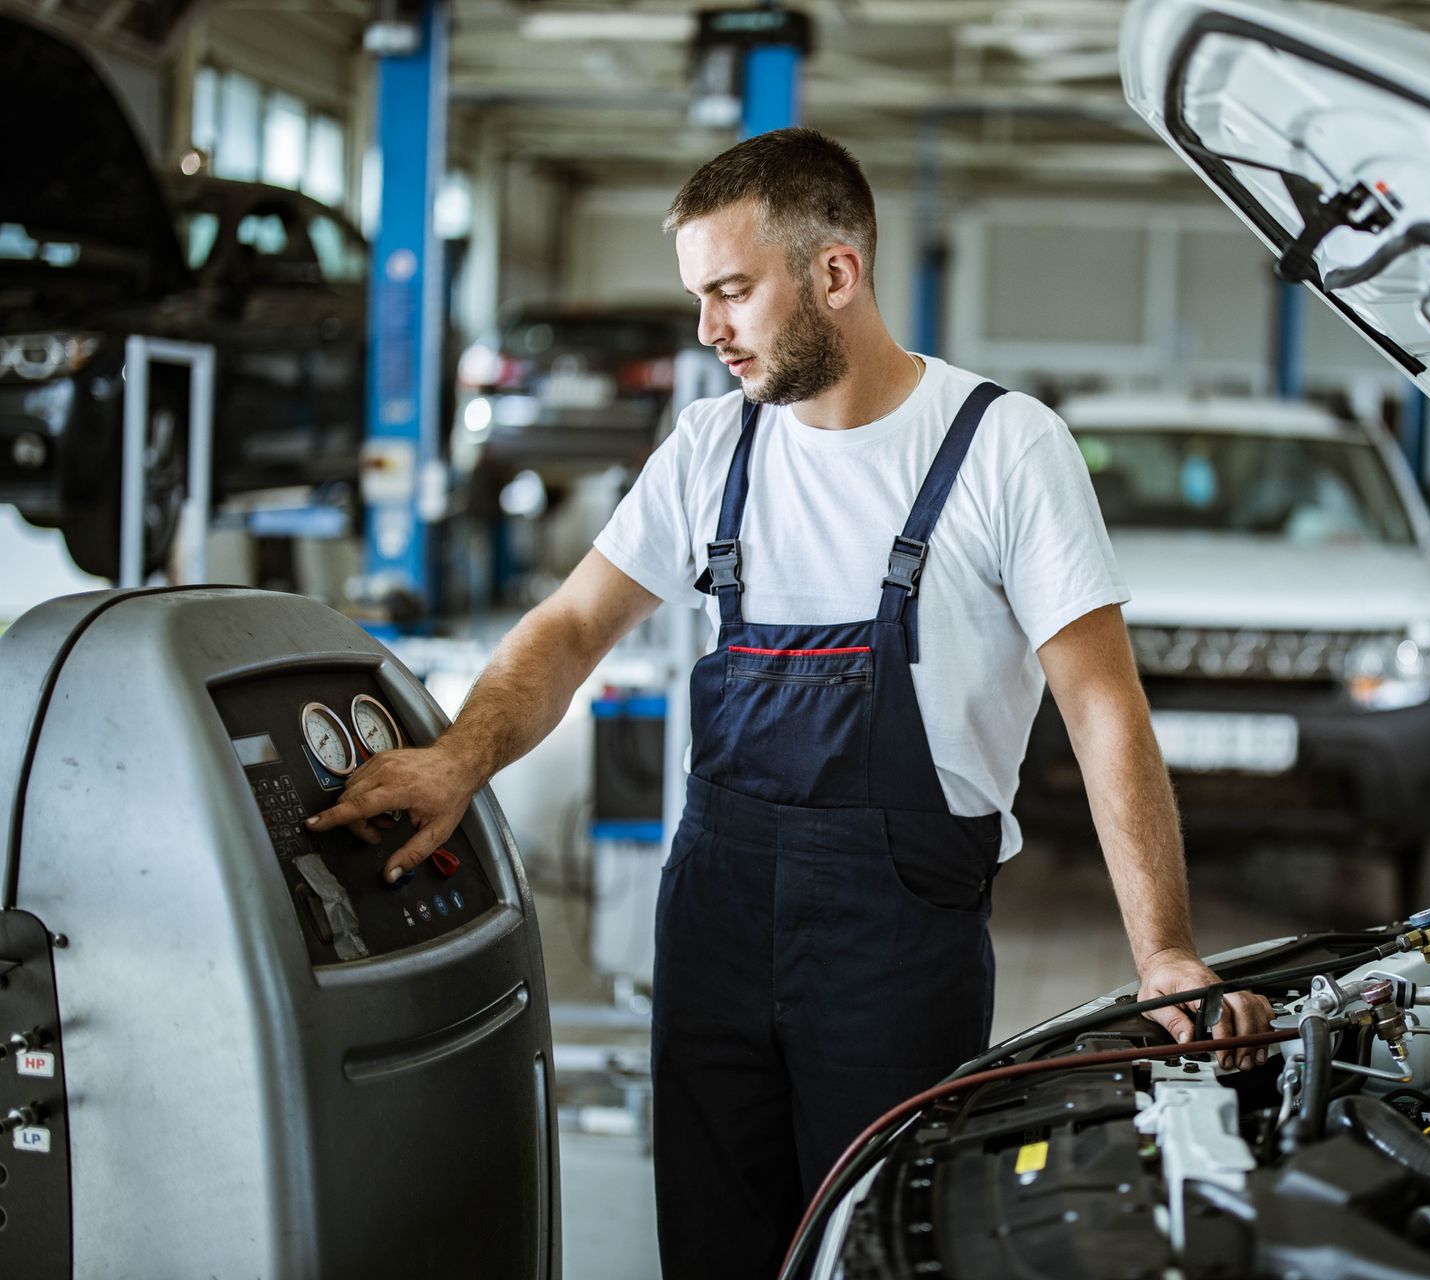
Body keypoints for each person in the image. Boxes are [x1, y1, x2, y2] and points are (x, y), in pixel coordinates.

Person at [308, 127, 1273, 1276]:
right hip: (715, 916)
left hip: (897, 940)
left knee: (873, 1247)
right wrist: (460, 755)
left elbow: (1102, 704)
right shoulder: (712, 448)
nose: (708, 329)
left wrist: (1163, 948)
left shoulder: (1004, 449)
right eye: (698, 296)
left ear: (835, 272)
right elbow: (571, 626)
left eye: (730, 291)